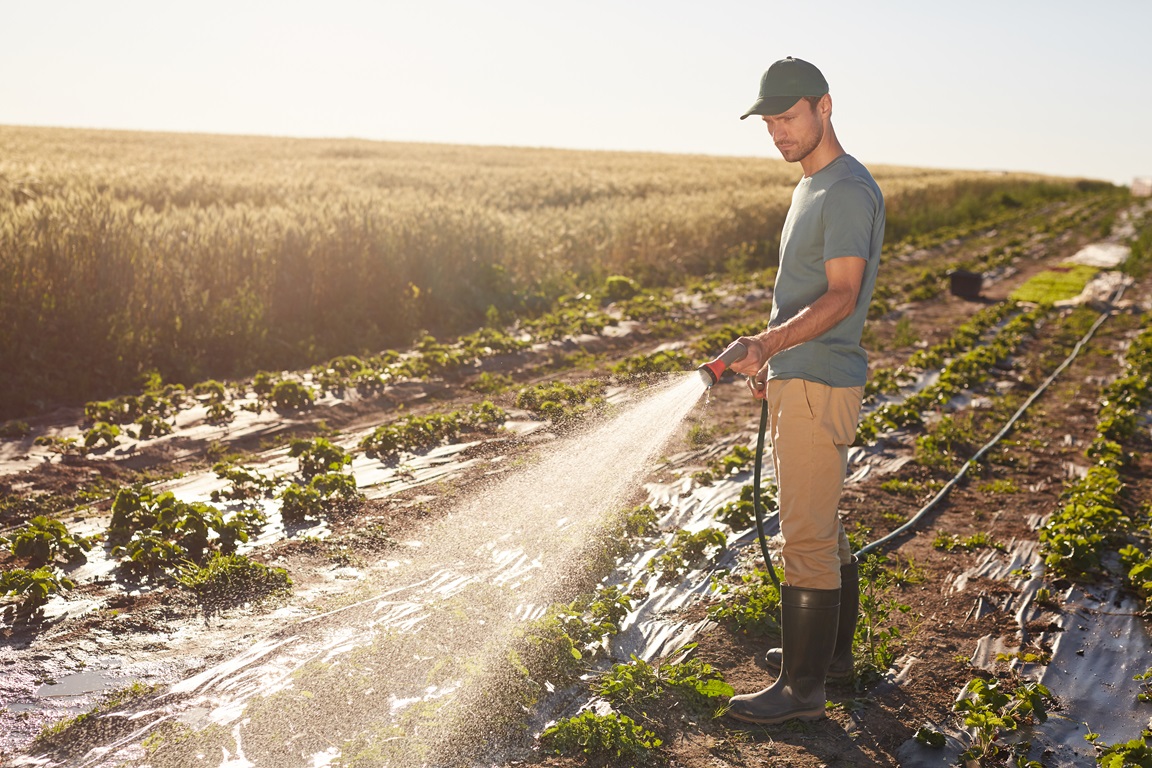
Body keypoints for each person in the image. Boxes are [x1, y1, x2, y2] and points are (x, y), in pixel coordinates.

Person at [724, 56, 885, 725]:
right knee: (823, 527)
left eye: (789, 116)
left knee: (806, 538)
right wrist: (773, 360)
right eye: (768, 121)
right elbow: (808, 293)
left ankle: (803, 689)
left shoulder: (845, 189)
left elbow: (842, 297)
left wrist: (768, 346)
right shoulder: (811, 187)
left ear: (825, 106)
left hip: (818, 382)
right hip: (802, 375)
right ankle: (830, 661)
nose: (778, 132)